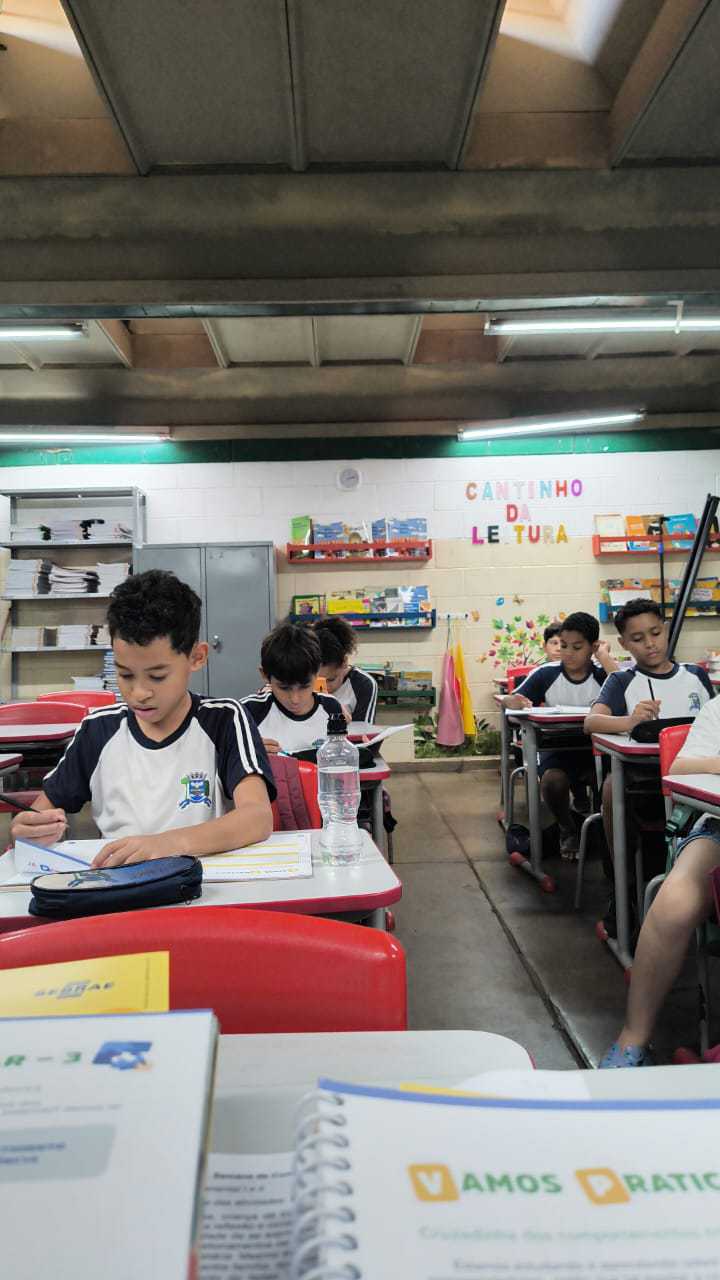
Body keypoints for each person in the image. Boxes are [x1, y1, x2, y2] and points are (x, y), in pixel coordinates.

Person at [9, 570, 275, 868]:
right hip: (118, 885)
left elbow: (257, 817)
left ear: (196, 657)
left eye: (157, 676)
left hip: (201, 883)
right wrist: (28, 829)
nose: (138, 693)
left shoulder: (224, 720)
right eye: (125, 675)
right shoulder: (98, 730)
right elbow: (38, 814)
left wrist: (165, 844)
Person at [600, 694, 720, 1067]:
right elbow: (680, 766)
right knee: (673, 903)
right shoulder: (717, 709)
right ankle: (633, 1038)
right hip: (716, 826)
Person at [584, 598, 714, 930]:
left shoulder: (695, 675)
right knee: (611, 790)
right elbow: (591, 723)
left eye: (655, 633)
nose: (650, 643)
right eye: (638, 638)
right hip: (641, 782)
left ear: (666, 630)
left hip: (697, 781)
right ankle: (623, 888)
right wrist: (630, 720)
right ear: (624, 643)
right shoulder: (621, 681)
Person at [503, 612, 618, 857]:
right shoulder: (546, 673)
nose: (568, 653)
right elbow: (511, 703)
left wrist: (605, 658)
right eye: (564, 645)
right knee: (552, 782)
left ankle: (605, 839)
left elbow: (627, 691)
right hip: (556, 749)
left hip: (597, 751)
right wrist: (514, 702)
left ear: (593, 647)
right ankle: (568, 828)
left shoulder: (603, 674)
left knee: (611, 784)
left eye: (577, 647)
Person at [242, 620, 344, 754]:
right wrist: (247, 752)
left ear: (318, 671)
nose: (295, 699)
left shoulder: (331, 708)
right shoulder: (248, 712)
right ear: (265, 675)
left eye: (305, 686)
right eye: (284, 688)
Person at [313, 616, 378, 722]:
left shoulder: (363, 684)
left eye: (330, 680)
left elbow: (363, 730)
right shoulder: (302, 683)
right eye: (316, 680)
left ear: (344, 662)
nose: (324, 688)